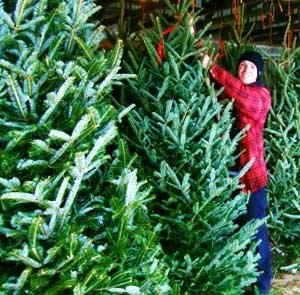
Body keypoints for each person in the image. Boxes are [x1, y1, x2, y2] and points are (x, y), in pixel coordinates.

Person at [202, 50, 272, 295]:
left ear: (259, 72)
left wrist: (214, 68)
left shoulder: (261, 96)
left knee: (255, 231)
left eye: (251, 68)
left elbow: (243, 97)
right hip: (228, 174)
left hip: (251, 179)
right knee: (232, 229)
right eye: (242, 66)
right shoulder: (227, 96)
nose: (245, 70)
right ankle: (240, 280)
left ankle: (263, 287)